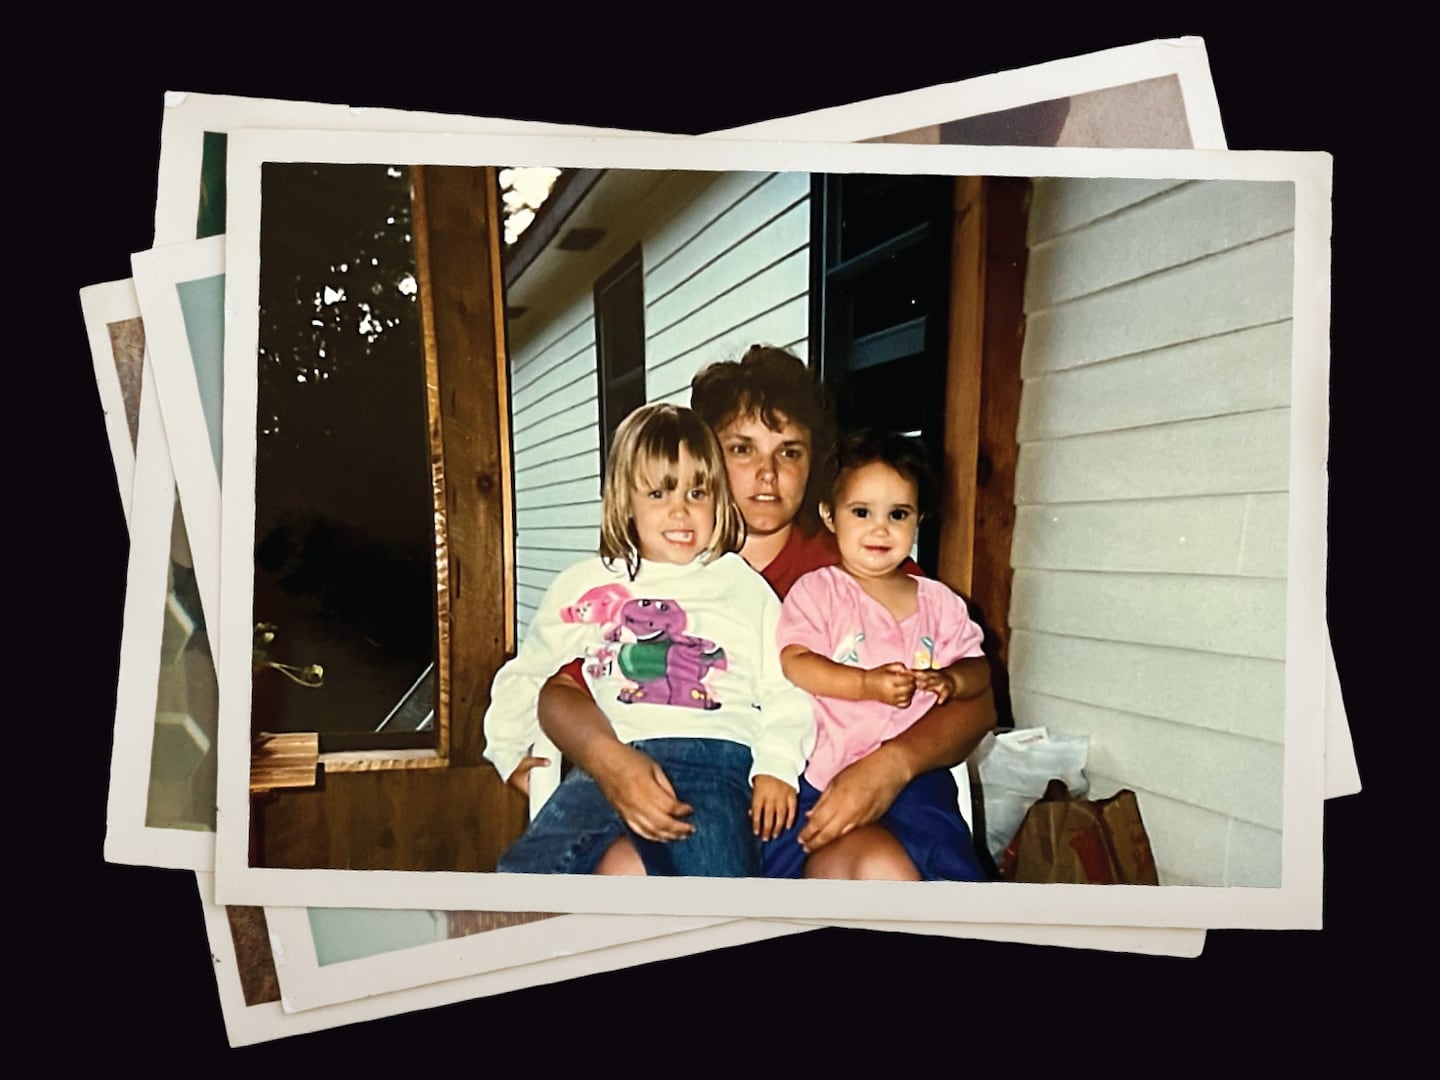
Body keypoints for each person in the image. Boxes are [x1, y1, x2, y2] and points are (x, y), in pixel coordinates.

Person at [531, 344, 997, 878]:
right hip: (693, 798)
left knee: (879, 869)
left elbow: (977, 702)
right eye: (743, 449)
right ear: (705, 456)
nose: (768, 473)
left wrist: (891, 766)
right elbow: (563, 691)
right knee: (625, 871)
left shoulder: (856, 562)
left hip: (827, 800)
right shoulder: (665, 572)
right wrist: (609, 761)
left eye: (790, 451)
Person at [482, 402, 814, 877]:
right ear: (624, 501)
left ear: (717, 500)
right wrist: (510, 749)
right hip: (612, 758)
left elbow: (786, 687)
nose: (680, 510)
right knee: (522, 875)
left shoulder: (742, 586)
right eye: (659, 493)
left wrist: (776, 767)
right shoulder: (588, 583)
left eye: (696, 492)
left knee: (720, 888)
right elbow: (531, 667)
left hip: (714, 764)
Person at [767, 430, 990, 881]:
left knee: (950, 863)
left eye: (898, 514)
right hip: (824, 770)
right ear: (830, 516)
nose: (880, 528)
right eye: (862, 512)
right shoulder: (818, 591)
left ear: (919, 518)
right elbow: (796, 661)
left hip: (915, 780)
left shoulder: (939, 601)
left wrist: (952, 681)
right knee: (780, 862)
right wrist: (865, 684)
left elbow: (978, 670)